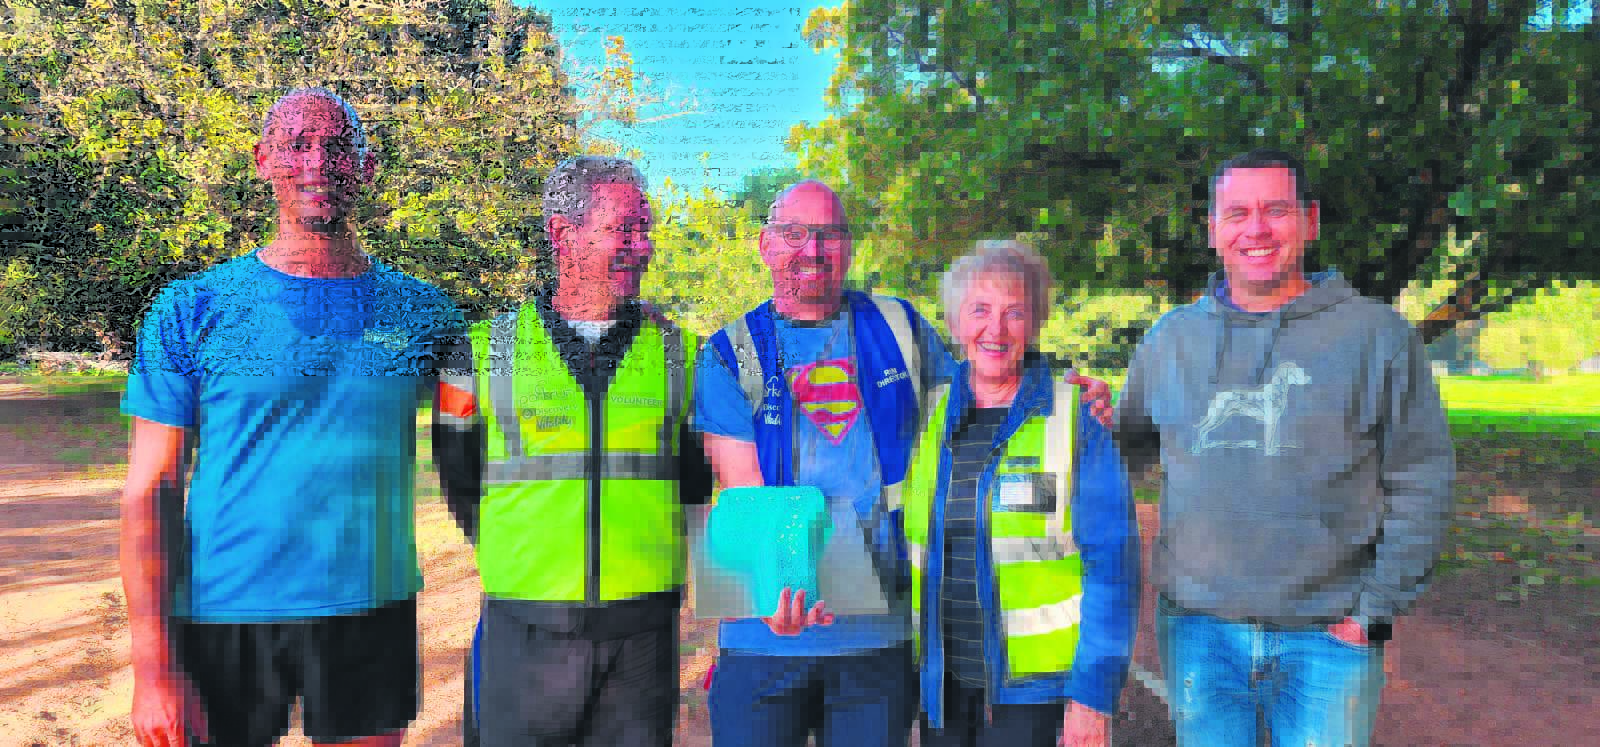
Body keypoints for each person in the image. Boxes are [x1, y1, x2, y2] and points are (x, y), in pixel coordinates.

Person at [693, 180, 1114, 746]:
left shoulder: (900, 327)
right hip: (764, 635)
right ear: (766, 244)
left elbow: (982, 399)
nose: (812, 250)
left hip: (882, 636)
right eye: (794, 233)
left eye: (830, 235)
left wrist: (1064, 401)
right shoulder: (730, 351)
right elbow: (746, 490)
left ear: (849, 247)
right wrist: (777, 594)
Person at [121, 87, 458, 747]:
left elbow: (495, 421)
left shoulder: (426, 314)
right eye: (297, 144)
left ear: (366, 167)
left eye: (339, 147)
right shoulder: (191, 308)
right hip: (223, 610)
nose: (318, 163)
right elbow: (150, 488)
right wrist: (153, 664)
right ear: (262, 159)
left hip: (372, 608)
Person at [1115, 148, 1456, 747]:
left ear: (1310, 221)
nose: (1257, 229)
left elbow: (1422, 480)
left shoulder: (1378, 337)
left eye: (1275, 210)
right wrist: (1092, 421)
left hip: (1329, 637)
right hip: (1197, 633)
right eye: (1237, 213)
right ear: (1213, 230)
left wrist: (1374, 610)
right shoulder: (1171, 339)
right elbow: (1128, 450)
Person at [435, 156, 713, 746]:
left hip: (644, 635)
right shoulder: (477, 352)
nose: (642, 247)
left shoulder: (684, 354)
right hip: (523, 627)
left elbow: (697, 481)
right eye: (624, 230)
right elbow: (458, 475)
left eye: (646, 230)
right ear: (564, 233)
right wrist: (525, 557)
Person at [898, 240, 1139, 747]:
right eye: (979, 310)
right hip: (943, 689)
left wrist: (1093, 698)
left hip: (1038, 699)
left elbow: (1114, 569)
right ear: (955, 322)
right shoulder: (926, 413)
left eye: (1014, 313)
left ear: (1035, 324)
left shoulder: (1075, 419)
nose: (996, 329)